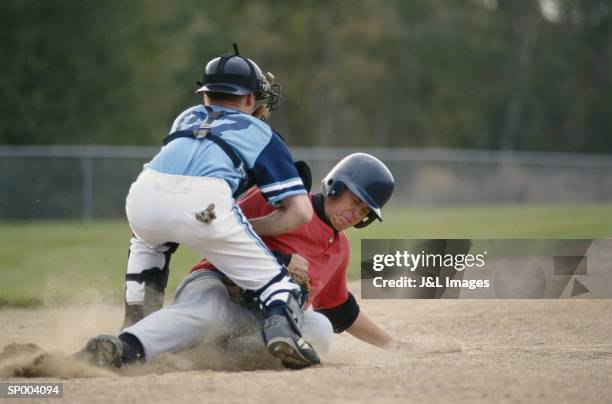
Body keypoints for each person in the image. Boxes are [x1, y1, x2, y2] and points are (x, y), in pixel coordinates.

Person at [94, 44, 319, 368]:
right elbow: (301, 212)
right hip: (204, 204)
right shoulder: (261, 131)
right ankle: (285, 336)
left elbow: (181, 175)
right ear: (248, 99)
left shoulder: (185, 117)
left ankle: (130, 333)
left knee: (149, 246)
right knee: (280, 287)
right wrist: (247, 227)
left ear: (206, 95)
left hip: (144, 193)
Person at [76, 153, 400, 370]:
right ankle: (122, 349)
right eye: (355, 201)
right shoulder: (281, 200)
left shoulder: (339, 249)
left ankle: (202, 357)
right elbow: (220, 232)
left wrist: (393, 346)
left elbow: (341, 308)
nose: (355, 213)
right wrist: (281, 259)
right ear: (336, 186)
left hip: (261, 321)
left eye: (364, 212)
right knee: (209, 312)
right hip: (218, 285)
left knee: (320, 328)